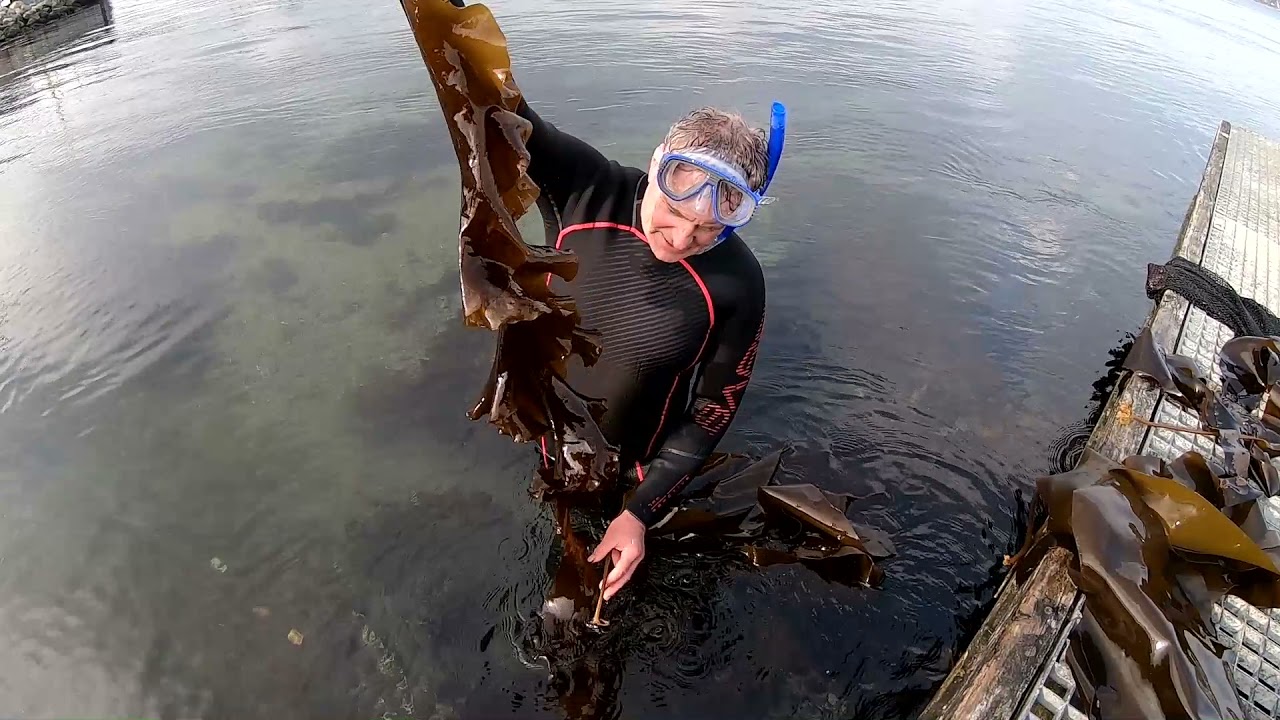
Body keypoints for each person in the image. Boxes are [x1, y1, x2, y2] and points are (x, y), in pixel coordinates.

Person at [433, 0, 786, 604]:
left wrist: (640, 514)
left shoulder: (738, 284)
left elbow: (710, 412)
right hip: (550, 444)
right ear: (655, 167)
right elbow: (492, 99)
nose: (679, 240)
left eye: (708, 233)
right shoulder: (585, 187)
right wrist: (441, 11)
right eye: (673, 213)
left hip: (641, 476)